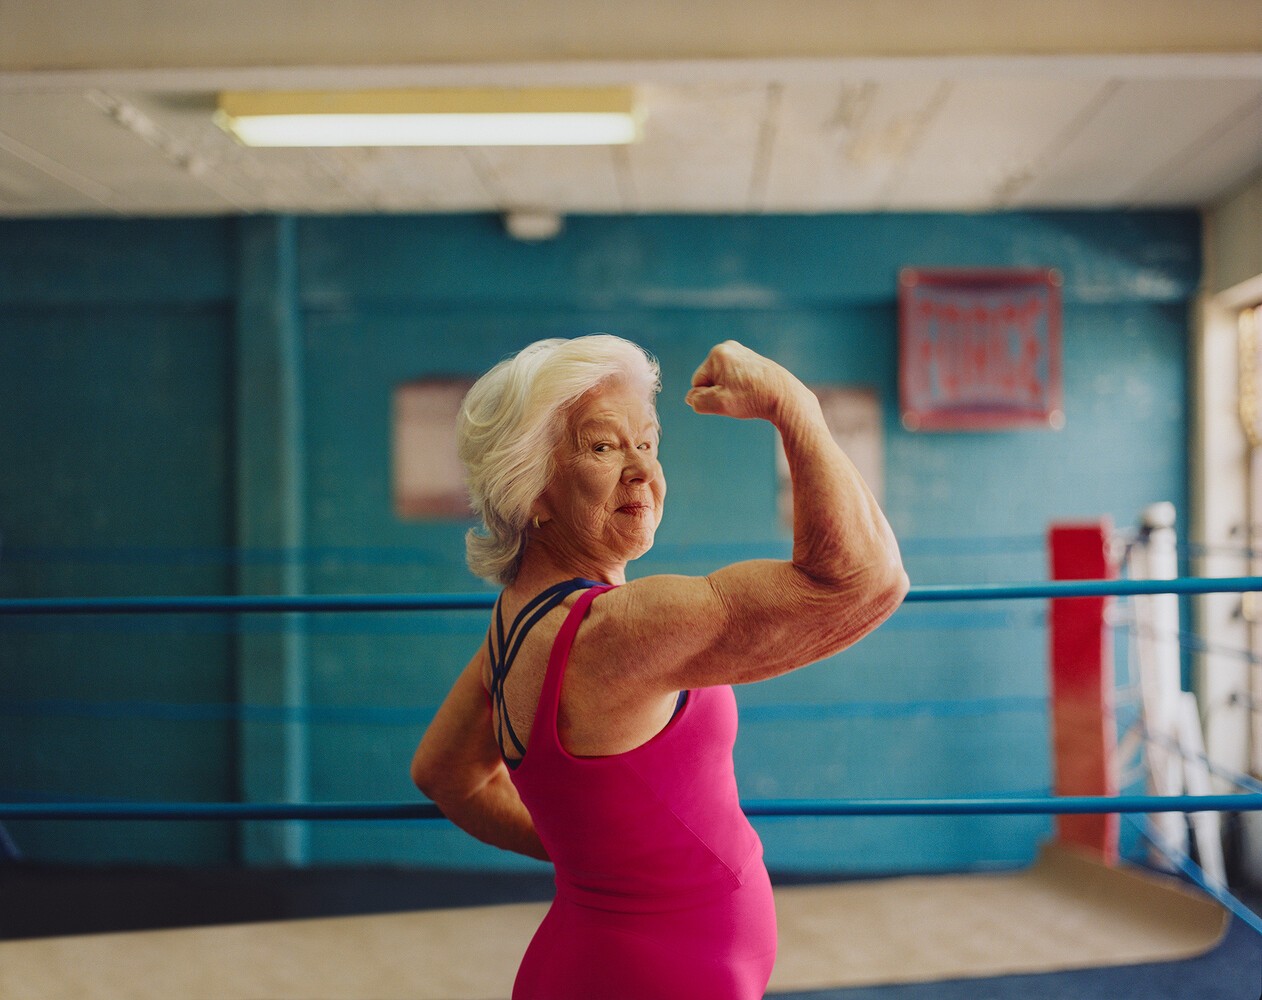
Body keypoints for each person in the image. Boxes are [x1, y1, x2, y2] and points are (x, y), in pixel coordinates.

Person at [411, 335, 907, 999]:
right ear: (531, 489)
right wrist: (794, 404)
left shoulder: (519, 620)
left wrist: (594, 858)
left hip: (593, 960)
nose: (642, 471)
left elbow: (445, 773)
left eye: (647, 443)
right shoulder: (620, 631)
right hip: (654, 978)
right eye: (604, 446)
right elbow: (866, 581)